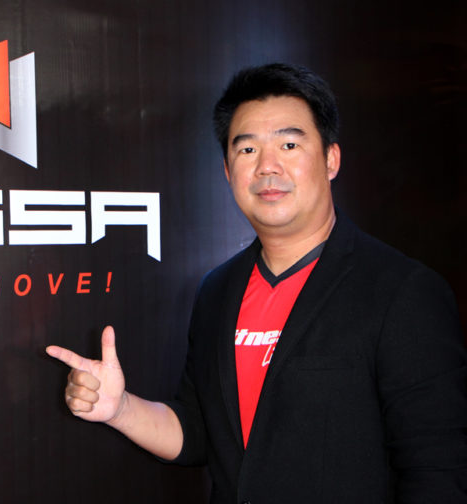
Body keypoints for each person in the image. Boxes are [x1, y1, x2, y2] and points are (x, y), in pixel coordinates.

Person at [46, 63, 467, 502]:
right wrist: (120, 409)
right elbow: (198, 432)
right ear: (228, 172)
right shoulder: (217, 291)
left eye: (289, 144)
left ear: (331, 159)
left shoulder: (403, 292)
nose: (268, 166)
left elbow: (438, 471)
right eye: (247, 149)